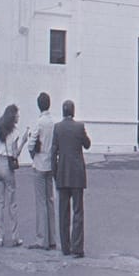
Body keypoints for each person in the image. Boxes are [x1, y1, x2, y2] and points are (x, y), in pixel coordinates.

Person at [52, 100, 92, 257]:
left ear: (63, 112)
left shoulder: (57, 128)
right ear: (73, 111)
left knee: (63, 212)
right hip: (77, 174)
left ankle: (65, 247)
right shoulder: (79, 127)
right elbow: (87, 144)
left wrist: (55, 173)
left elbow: (53, 153)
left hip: (62, 173)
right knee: (78, 211)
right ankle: (77, 247)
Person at [0, 102, 22, 247]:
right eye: (17, 114)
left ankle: (0, 236)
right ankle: (15, 237)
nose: (18, 117)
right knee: (12, 203)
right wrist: (24, 141)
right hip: (8, 167)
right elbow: (15, 154)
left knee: (0, 203)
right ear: (13, 117)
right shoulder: (14, 132)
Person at [26, 92, 57, 250]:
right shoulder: (53, 122)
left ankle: (41, 239)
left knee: (41, 202)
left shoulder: (39, 122)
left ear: (39, 105)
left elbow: (31, 143)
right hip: (50, 164)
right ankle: (52, 238)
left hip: (39, 163)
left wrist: (32, 154)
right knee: (50, 200)